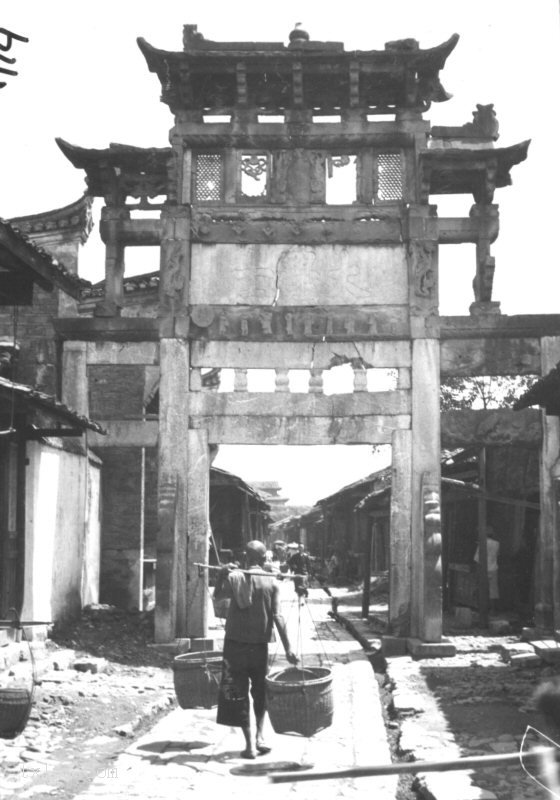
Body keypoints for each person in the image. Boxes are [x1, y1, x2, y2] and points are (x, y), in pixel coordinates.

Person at [214, 540, 298, 759]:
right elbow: (278, 616)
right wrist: (289, 648)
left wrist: (221, 575)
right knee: (260, 691)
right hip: (259, 647)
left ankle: (249, 744)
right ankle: (261, 736)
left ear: (245, 558)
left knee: (237, 693)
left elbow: (218, 597)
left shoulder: (235, 578)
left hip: (234, 646)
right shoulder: (271, 583)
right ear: (263, 560)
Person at [474, 526, 500, 612]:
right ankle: (493, 610)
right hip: (493, 569)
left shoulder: (482, 543)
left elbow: (477, 558)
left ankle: (482, 609)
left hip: (483, 569)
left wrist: (477, 571)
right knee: (493, 590)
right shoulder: (497, 543)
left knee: (483, 589)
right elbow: (498, 555)